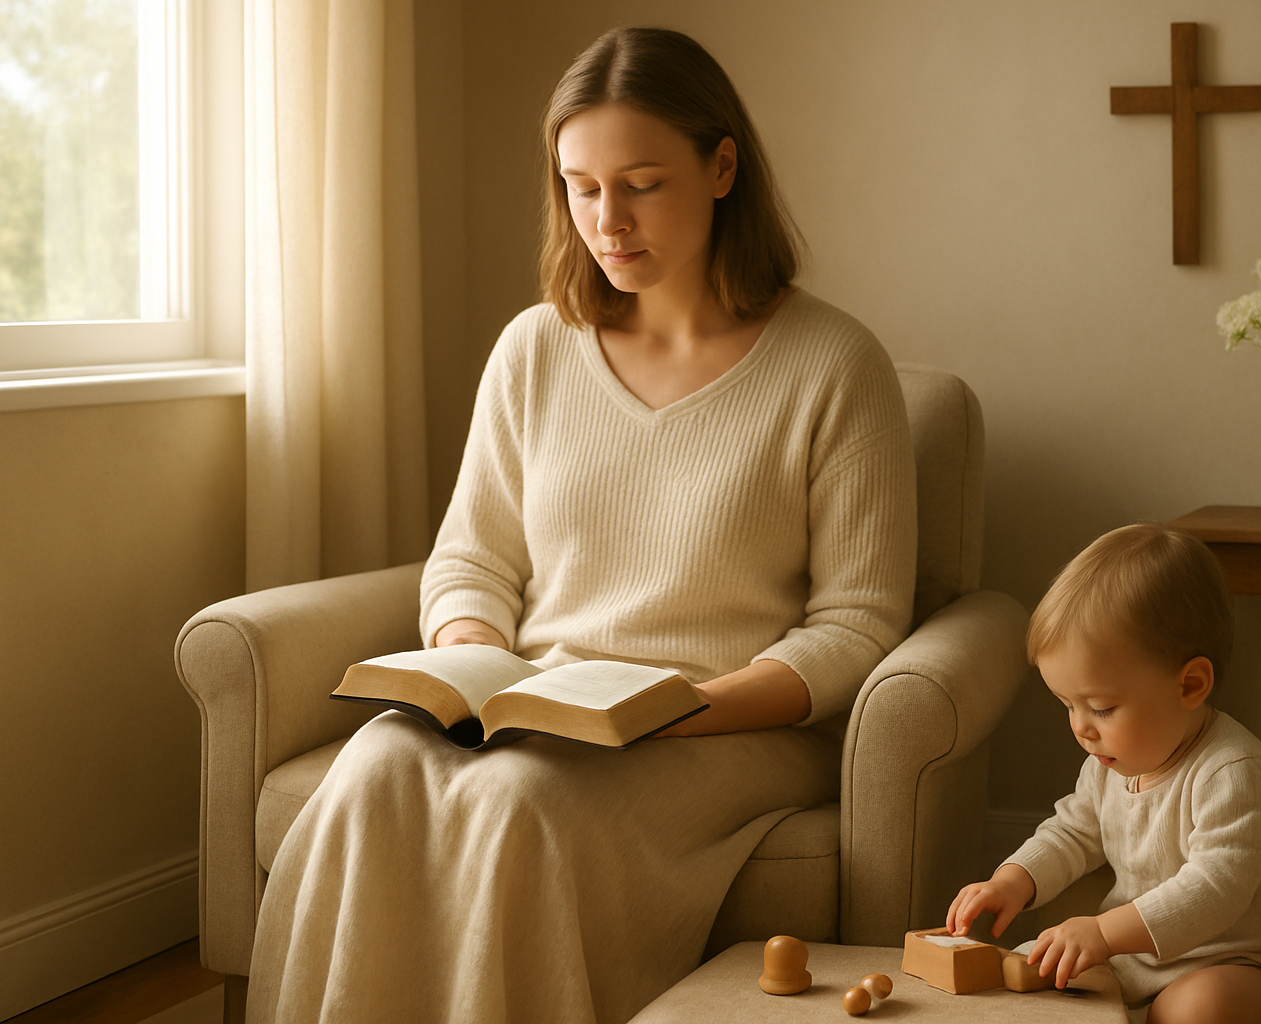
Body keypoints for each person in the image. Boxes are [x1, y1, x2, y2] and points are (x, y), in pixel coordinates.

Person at [245, 26, 917, 1024]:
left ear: (722, 165)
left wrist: (687, 704)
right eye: (580, 185)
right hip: (547, 703)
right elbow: (471, 559)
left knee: (520, 803)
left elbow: (859, 625)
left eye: (641, 183)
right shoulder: (532, 348)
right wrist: (476, 664)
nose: (608, 219)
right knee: (380, 763)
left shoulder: (835, 365)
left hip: (729, 722)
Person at [946, 524, 1261, 1024]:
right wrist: (1013, 880)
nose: (1081, 728)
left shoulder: (1235, 774)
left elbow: (1214, 890)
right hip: (1134, 957)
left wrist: (1103, 933)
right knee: (1027, 969)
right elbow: (1072, 831)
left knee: (1196, 1009)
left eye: (1101, 708)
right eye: (1067, 705)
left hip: (1241, 963)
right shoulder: (1107, 766)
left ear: (1190, 685)